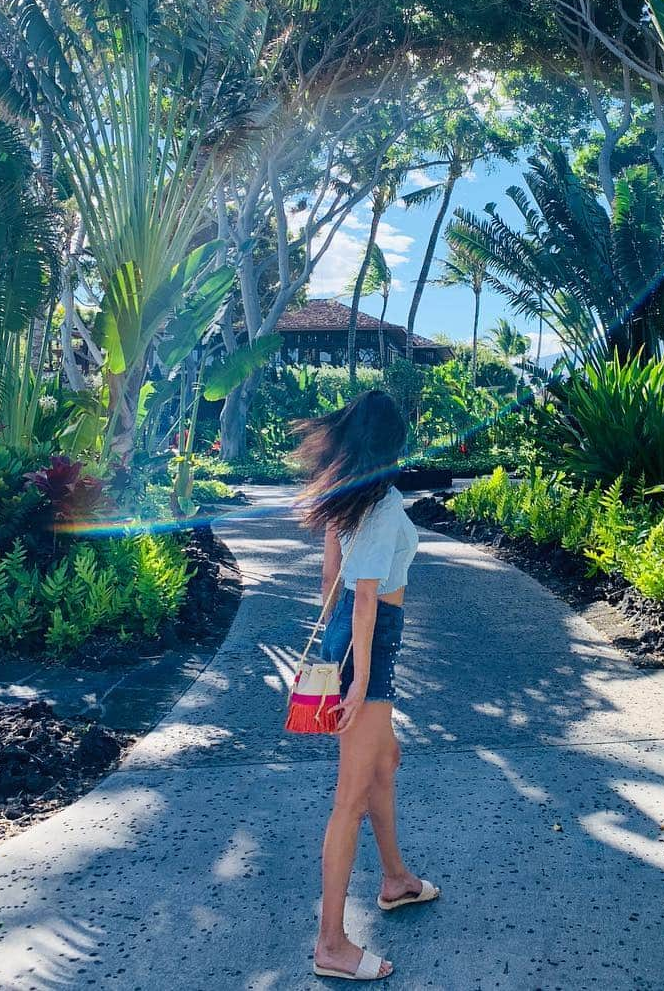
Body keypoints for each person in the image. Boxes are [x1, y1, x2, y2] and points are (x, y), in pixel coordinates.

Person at [295, 389, 440, 982]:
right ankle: (331, 942)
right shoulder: (377, 504)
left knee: (385, 763)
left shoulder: (347, 499)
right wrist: (356, 684)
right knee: (351, 796)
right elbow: (363, 597)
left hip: (356, 643)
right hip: (369, 646)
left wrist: (338, 652)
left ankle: (397, 879)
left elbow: (330, 575)